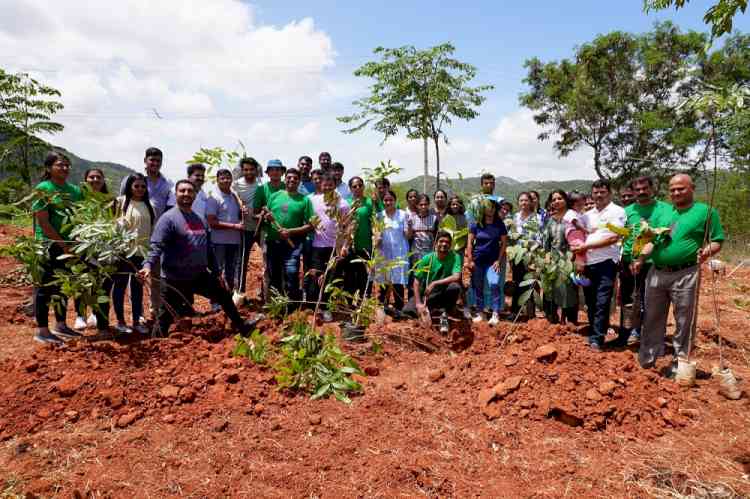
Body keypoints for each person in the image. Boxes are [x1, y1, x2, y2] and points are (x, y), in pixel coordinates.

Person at [138, 180, 254, 336]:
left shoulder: (198, 218)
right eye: (182, 191)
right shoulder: (168, 219)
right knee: (164, 318)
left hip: (198, 275)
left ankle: (242, 327)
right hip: (174, 279)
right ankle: (157, 346)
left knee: (224, 297)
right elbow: (156, 246)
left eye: (190, 191)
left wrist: (217, 272)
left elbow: (208, 248)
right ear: (176, 194)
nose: (186, 194)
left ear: (194, 195)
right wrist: (147, 266)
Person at [636, 174, 724, 370]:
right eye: (673, 189)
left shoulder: (706, 212)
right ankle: (647, 361)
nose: (676, 192)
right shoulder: (664, 213)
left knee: (684, 320)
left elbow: (717, 240)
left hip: (686, 273)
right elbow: (652, 240)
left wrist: (706, 252)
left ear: (692, 188)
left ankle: (680, 365)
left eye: (681, 188)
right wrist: (641, 258)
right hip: (656, 273)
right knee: (651, 317)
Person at [31, 153, 83, 343]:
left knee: (63, 286)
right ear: (48, 168)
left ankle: (61, 325)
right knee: (45, 287)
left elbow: (79, 218)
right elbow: (43, 222)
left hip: (69, 245)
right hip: (48, 245)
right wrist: (63, 245)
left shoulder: (75, 190)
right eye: (60, 165)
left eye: (67, 165)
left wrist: (74, 243)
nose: (65, 168)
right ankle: (42, 331)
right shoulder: (43, 189)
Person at [120, 147, 174, 323]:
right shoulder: (134, 180)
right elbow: (123, 206)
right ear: (145, 161)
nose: (155, 163)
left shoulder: (167, 183)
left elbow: (168, 208)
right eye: (152, 160)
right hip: (133, 237)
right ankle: (137, 314)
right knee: (134, 277)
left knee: (157, 275)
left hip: (157, 236)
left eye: (158, 160)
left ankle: (155, 309)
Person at [572, 179, 626, 351]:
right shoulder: (588, 215)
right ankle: (596, 332)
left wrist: (586, 246)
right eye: (596, 192)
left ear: (609, 193)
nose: (599, 195)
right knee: (591, 301)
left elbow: (613, 237)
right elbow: (577, 228)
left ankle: (597, 339)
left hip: (607, 263)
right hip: (589, 263)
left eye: (602, 192)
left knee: (603, 300)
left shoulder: (617, 211)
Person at [620, 176, 671, 346]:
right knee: (628, 299)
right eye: (637, 189)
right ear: (633, 191)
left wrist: (643, 257)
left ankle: (650, 336)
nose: (641, 192)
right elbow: (622, 235)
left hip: (653, 263)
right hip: (628, 262)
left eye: (644, 188)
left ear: (652, 188)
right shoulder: (627, 212)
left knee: (650, 300)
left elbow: (664, 234)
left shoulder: (664, 209)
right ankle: (627, 333)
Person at [263, 168, 314, 306]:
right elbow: (267, 217)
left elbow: (310, 225)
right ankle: (277, 306)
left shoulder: (304, 200)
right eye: (289, 178)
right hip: (273, 243)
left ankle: (293, 307)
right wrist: (266, 218)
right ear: (285, 179)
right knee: (274, 276)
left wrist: (290, 232)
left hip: (293, 245)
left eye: (295, 178)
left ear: (299, 181)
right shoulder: (275, 196)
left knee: (291, 274)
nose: (292, 180)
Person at [112, 174, 154, 334]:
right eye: (137, 186)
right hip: (123, 252)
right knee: (120, 287)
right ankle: (120, 321)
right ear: (130, 186)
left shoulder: (148, 205)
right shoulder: (121, 202)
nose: (140, 189)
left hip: (141, 253)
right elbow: (113, 225)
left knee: (137, 288)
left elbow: (151, 229)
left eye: (143, 186)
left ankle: (137, 320)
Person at [306, 173, 350, 321]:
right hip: (318, 246)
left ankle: (326, 308)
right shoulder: (312, 201)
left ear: (335, 186)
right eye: (325, 185)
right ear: (320, 185)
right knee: (316, 277)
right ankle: (315, 307)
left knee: (331, 279)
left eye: (330, 185)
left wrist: (345, 246)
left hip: (335, 248)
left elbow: (348, 227)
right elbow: (308, 219)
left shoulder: (343, 204)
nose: (327, 187)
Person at [403, 231, 463, 333]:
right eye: (441, 241)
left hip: (443, 290)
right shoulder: (427, 258)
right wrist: (418, 303)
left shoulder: (455, 257)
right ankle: (430, 311)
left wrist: (435, 283)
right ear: (436, 244)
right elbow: (416, 281)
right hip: (427, 292)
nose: (444, 244)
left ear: (450, 245)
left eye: (447, 242)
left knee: (454, 287)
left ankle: (445, 313)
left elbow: (456, 276)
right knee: (407, 311)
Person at [73, 167, 111, 330]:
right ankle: (80, 315)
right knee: (82, 282)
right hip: (82, 245)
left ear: (103, 180)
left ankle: (95, 314)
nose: (95, 180)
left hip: (102, 248)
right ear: (85, 180)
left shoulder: (109, 199)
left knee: (100, 283)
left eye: (98, 177)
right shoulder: (79, 198)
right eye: (91, 177)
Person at [206, 169, 244, 312]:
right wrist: (234, 226)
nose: (226, 181)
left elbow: (237, 215)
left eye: (228, 178)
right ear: (217, 180)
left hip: (234, 241)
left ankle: (227, 300)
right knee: (217, 272)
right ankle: (215, 302)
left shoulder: (234, 197)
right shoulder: (214, 198)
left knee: (230, 271)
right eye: (223, 178)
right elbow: (212, 221)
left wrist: (242, 213)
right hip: (219, 241)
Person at [466, 199, 508, 325]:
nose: (491, 209)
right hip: (478, 260)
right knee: (478, 287)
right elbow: (469, 243)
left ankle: (495, 313)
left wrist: (498, 260)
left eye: (493, 207)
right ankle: (480, 313)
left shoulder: (499, 224)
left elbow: (504, 244)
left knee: (494, 284)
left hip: (492, 261)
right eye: (488, 207)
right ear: (483, 209)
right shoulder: (476, 224)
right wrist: (470, 260)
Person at [542, 190, 579, 324]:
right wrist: (547, 259)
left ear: (566, 200)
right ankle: (554, 320)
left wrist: (573, 259)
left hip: (569, 260)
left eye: (559, 198)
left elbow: (578, 240)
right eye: (554, 199)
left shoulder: (573, 218)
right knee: (552, 291)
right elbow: (546, 242)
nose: (556, 201)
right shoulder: (550, 221)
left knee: (567, 291)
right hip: (553, 260)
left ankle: (567, 321)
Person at [253, 159, 287, 301]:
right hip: (267, 233)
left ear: (282, 172)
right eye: (272, 169)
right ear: (267, 173)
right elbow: (255, 212)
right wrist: (262, 216)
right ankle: (268, 300)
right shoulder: (262, 189)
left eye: (278, 169)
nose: (275, 172)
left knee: (285, 267)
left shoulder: (287, 187)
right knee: (268, 267)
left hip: (285, 234)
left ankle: (285, 298)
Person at [375, 190, 410, 315]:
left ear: (395, 201)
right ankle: (382, 308)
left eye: (391, 200)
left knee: (397, 280)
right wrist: (377, 239)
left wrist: (409, 227)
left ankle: (399, 308)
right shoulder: (379, 216)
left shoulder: (403, 215)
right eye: (385, 200)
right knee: (384, 280)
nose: (388, 202)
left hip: (399, 251)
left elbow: (407, 234)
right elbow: (376, 234)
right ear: (382, 202)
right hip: (384, 252)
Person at [232, 157, 262, 295]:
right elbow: (231, 204)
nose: (248, 172)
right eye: (245, 169)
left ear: (256, 170)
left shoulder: (262, 185)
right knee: (242, 260)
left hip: (261, 228)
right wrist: (240, 209)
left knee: (267, 260)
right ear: (242, 170)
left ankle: (265, 292)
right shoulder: (235, 185)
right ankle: (240, 292)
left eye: (251, 169)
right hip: (245, 229)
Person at [510, 192, 543, 316]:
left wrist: (533, 250)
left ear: (531, 202)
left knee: (531, 283)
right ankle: (515, 311)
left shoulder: (537, 218)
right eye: (521, 200)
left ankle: (530, 313)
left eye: (526, 200)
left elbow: (540, 238)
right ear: (518, 203)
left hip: (532, 255)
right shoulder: (515, 217)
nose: (523, 203)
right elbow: (511, 235)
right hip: (517, 256)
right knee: (517, 282)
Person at [343, 176, 374, 297]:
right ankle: (350, 303)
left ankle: (364, 301)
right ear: (350, 188)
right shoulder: (346, 203)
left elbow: (374, 221)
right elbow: (343, 223)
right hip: (350, 245)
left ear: (363, 186)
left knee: (365, 275)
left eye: (360, 185)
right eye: (354, 186)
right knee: (350, 275)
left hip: (366, 245)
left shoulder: (369, 202)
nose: (357, 188)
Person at [406, 194, 438, 298]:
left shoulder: (434, 219)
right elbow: (409, 236)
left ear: (429, 205)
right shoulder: (412, 219)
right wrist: (410, 227)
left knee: (428, 277)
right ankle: (413, 300)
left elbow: (437, 237)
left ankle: (428, 300)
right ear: (417, 205)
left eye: (425, 204)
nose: (423, 207)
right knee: (415, 276)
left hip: (429, 254)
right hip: (415, 254)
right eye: (421, 204)